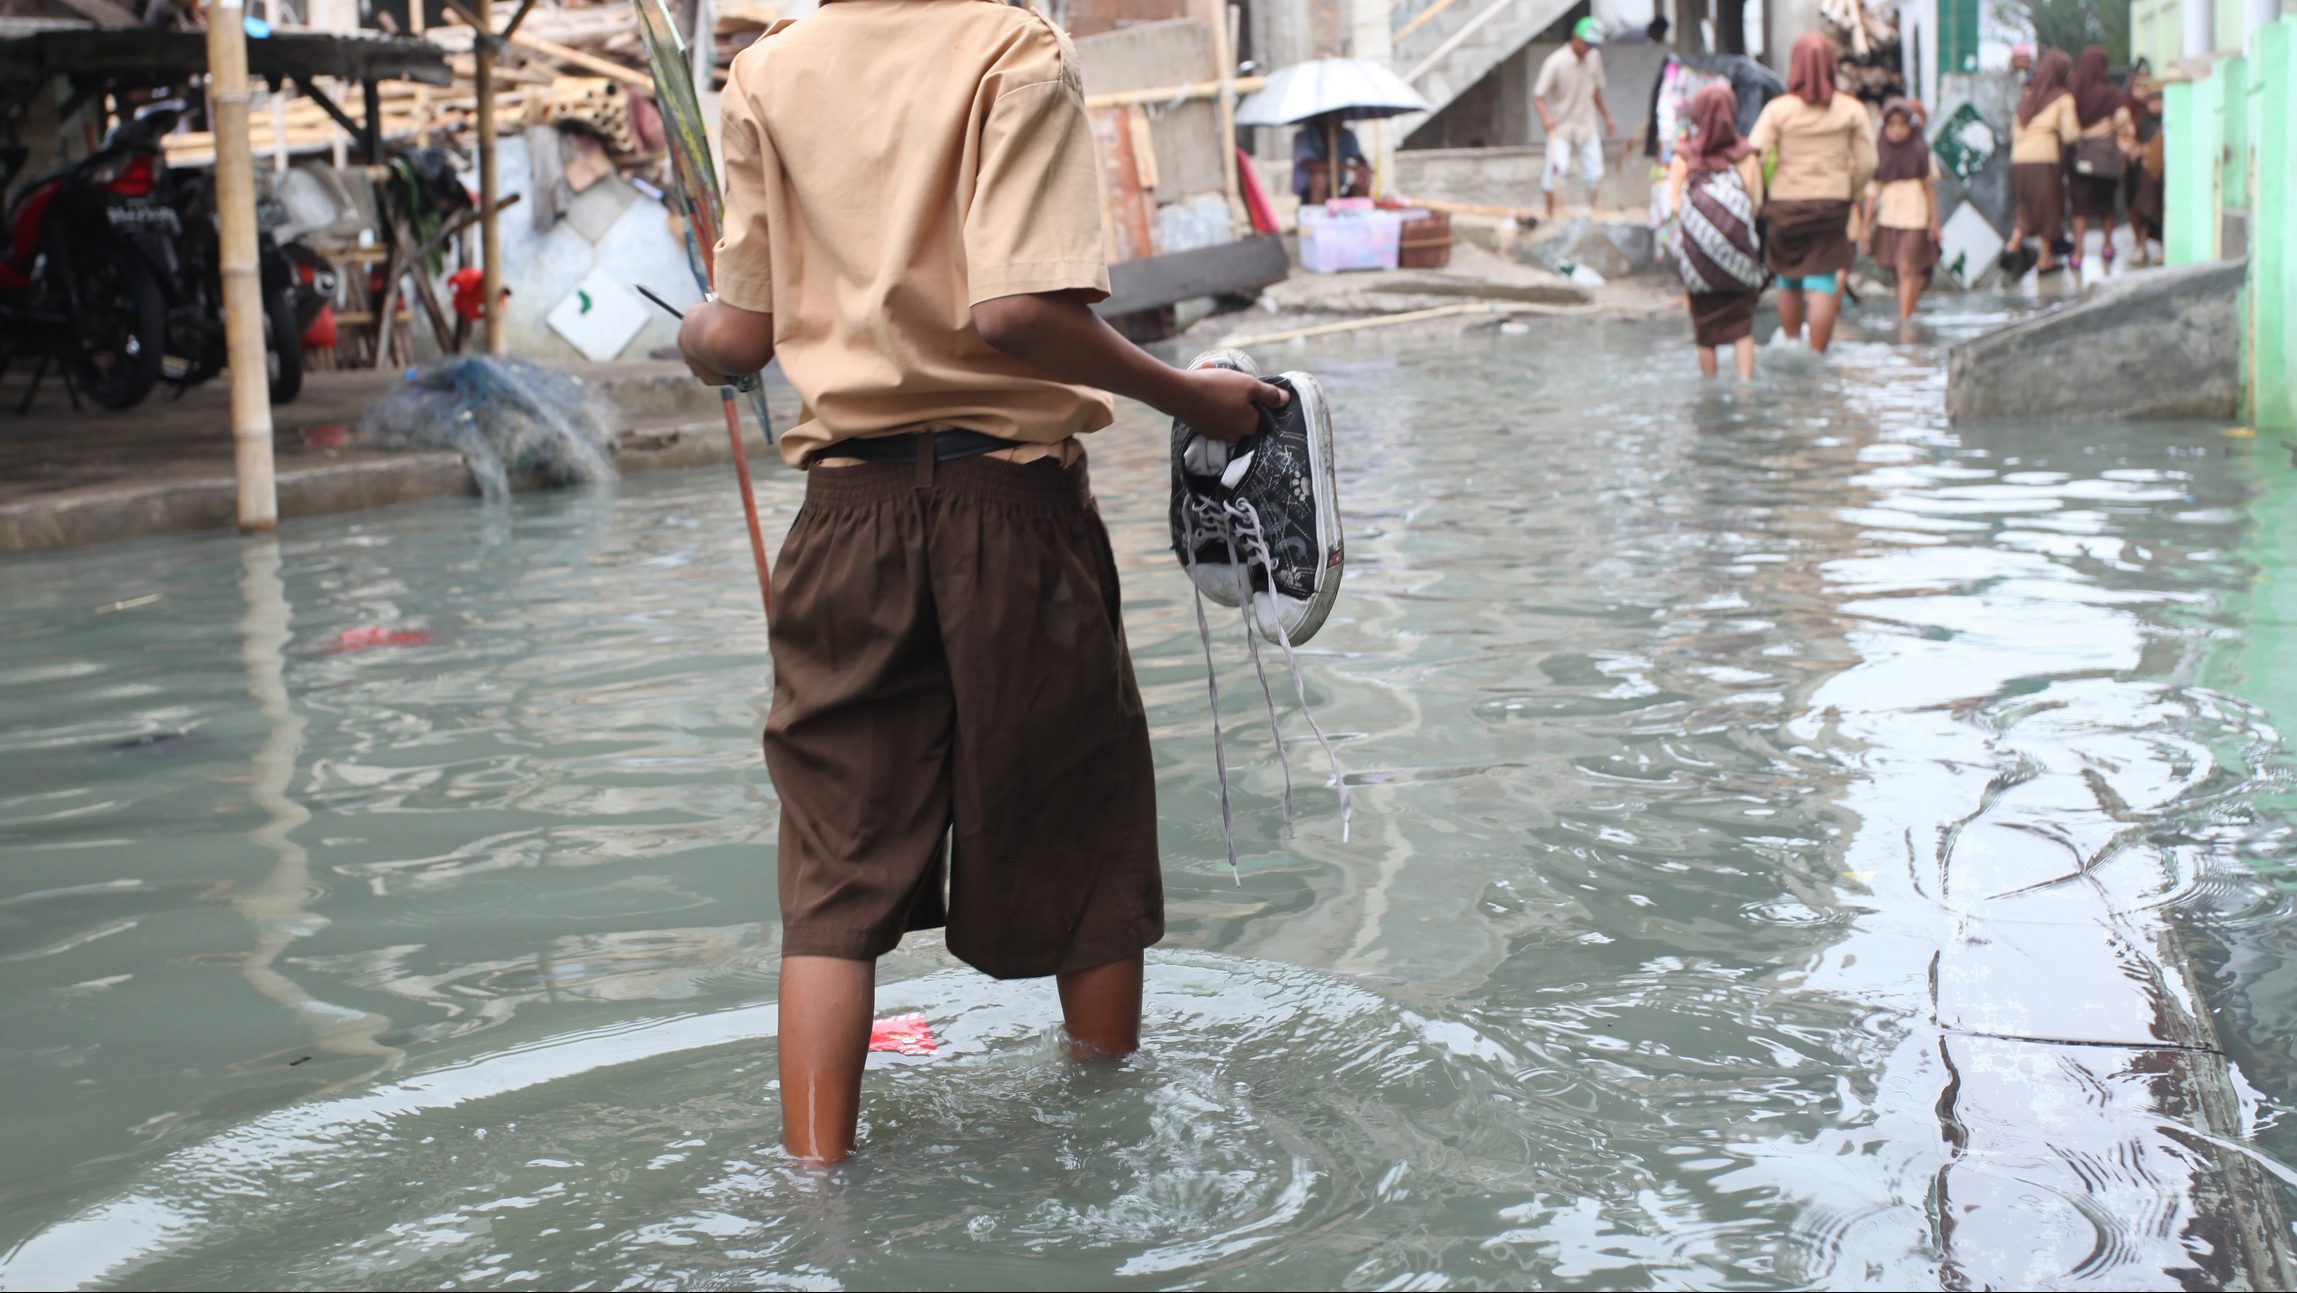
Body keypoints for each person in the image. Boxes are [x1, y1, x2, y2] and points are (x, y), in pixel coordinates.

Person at [676, 0, 1286, 1165]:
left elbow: (737, 336)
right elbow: (1016, 315)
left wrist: (695, 344)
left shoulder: (763, 75)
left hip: (840, 521)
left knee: (830, 877)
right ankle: (1107, 1161)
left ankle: (814, 1193)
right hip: (1009, 513)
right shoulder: (1013, 48)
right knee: (1077, 833)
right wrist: (1192, 396)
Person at [1747, 32, 1875, 353]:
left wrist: (1761, 195)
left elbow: (1755, 153)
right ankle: (1818, 353)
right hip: (1832, 204)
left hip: (1786, 204)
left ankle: (1791, 343)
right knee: (1823, 279)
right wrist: (1851, 192)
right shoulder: (1851, 109)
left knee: (1788, 278)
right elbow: (1869, 162)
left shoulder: (1779, 110)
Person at [1666, 82, 1766, 379]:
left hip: (1699, 261)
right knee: (1742, 323)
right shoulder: (1746, 156)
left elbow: (1673, 206)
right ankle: (1746, 384)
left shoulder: (1684, 156)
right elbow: (1755, 203)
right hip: (1738, 257)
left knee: (1705, 326)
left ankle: (1709, 383)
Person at [1861, 98, 1941, 323]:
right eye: (1891, 124)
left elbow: (1929, 188)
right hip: (1889, 217)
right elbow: (1871, 192)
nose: (1896, 130)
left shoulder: (1921, 150)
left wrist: (1934, 221)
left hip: (1915, 216)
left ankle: (1904, 318)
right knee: (1898, 270)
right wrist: (1866, 226)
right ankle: (1908, 311)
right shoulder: (1879, 152)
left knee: (1907, 266)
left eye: (1901, 124)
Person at [2005, 48, 2079, 276]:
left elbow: (2014, 131)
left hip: (2018, 162)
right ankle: (2044, 259)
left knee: (2025, 207)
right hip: (2045, 161)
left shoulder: (2029, 98)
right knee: (2050, 208)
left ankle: (2013, 245)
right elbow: (2070, 134)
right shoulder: (2062, 98)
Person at [1535, 17, 1617, 218]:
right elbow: (1538, 96)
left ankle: (1595, 215)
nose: (1589, 48)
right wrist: (1546, 118)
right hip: (1561, 125)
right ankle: (1550, 216)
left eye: (1592, 45)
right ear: (1576, 38)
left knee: (1595, 174)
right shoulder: (1555, 63)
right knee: (1555, 171)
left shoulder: (1594, 58)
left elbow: (1596, 92)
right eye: (1587, 44)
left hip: (1586, 124)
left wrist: (1607, 117)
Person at [2066, 45, 2132, 275]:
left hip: (2082, 156)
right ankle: (2107, 245)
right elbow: (2123, 120)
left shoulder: (2073, 93)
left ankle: (2078, 252)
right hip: (2107, 158)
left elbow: (2068, 126)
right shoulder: (2112, 93)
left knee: (2080, 207)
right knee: (2107, 206)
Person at [2126, 68, 2165, 266]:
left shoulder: (2166, 123)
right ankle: (2141, 245)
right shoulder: (2141, 121)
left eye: (2159, 100)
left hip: (2160, 177)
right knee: (2140, 208)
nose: (2156, 105)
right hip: (2141, 176)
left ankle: (2157, 246)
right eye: (2152, 100)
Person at [1292, 114, 1371, 205]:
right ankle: (1319, 215)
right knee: (1320, 178)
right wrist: (1345, 167)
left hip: (1339, 187)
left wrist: (1363, 171)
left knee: (1364, 177)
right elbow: (1310, 165)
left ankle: (1359, 213)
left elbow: (1361, 160)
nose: (1338, 120)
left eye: (1339, 115)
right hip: (1310, 192)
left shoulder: (1347, 135)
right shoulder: (1304, 136)